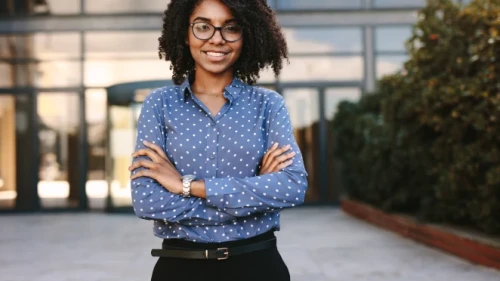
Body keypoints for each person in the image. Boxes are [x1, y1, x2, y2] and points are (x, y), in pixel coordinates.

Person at [128, 0, 308, 280]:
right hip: (179, 269)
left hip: (257, 267)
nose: (217, 39)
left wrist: (185, 186)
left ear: (246, 35)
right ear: (185, 34)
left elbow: (292, 187)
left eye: (231, 28)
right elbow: (147, 201)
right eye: (203, 27)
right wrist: (254, 196)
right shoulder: (159, 105)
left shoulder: (268, 105)